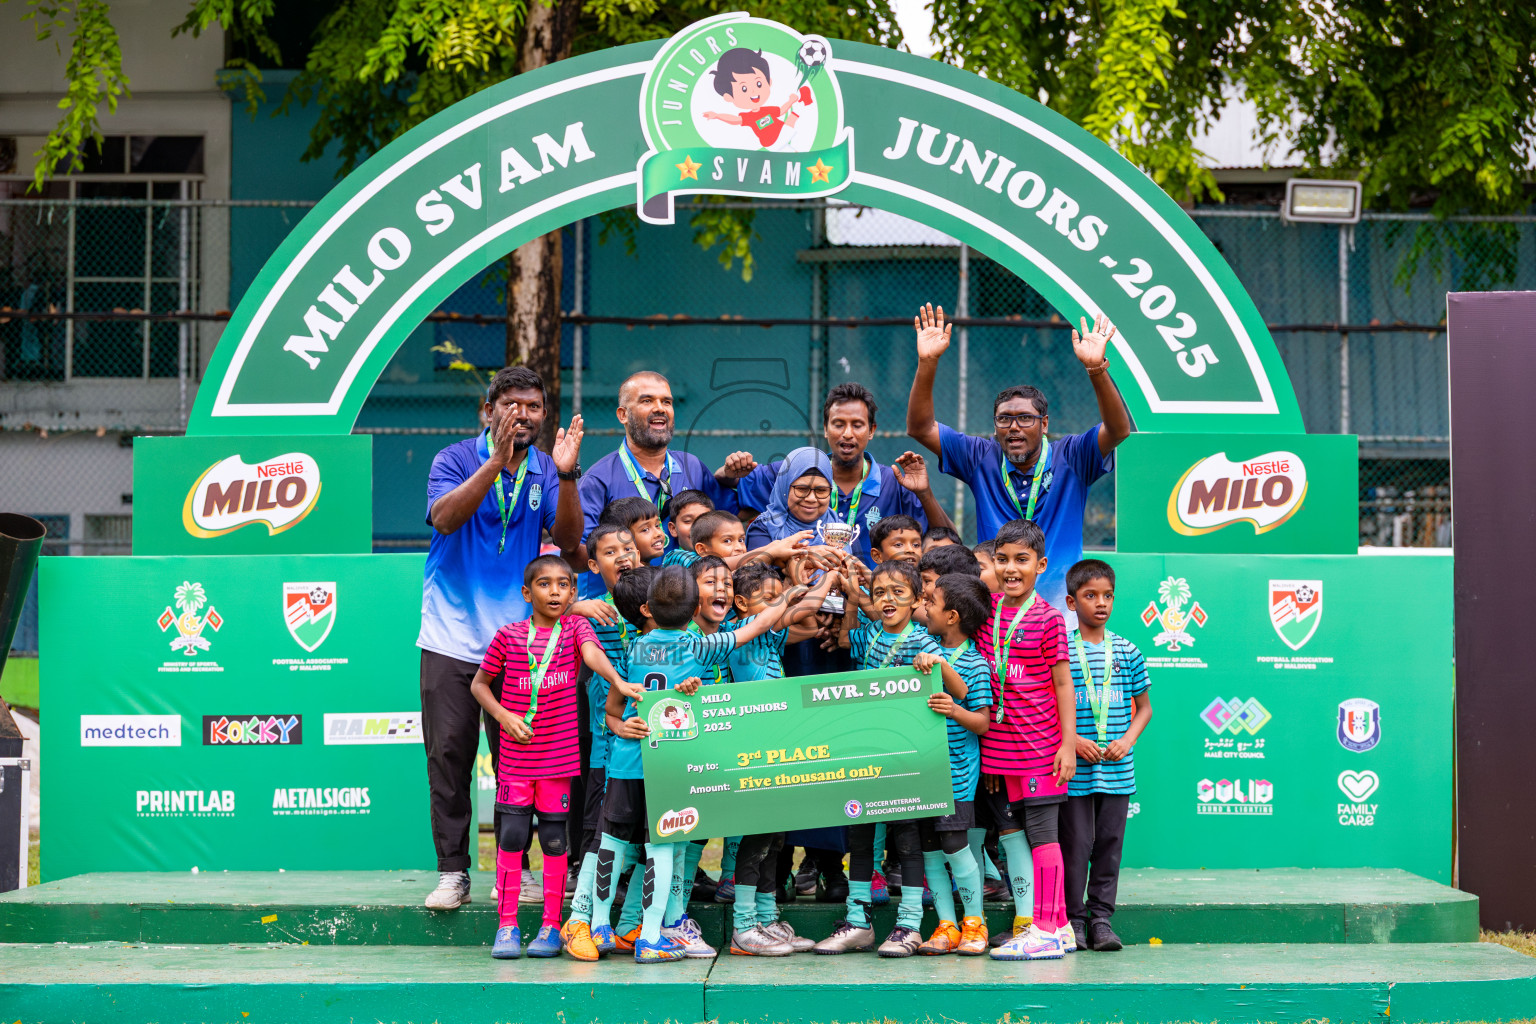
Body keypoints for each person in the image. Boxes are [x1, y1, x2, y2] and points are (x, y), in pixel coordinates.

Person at [417, 365, 585, 911]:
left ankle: (522, 868)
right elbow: (444, 519)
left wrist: (564, 477)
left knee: (524, 761)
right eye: (511, 405)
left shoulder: (545, 468)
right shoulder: (456, 458)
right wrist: (494, 462)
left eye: (534, 407)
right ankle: (453, 871)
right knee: (449, 756)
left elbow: (566, 539)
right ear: (488, 411)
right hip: (450, 636)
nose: (524, 415)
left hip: (520, 646)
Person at [600, 566, 805, 963]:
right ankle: (659, 931)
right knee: (665, 846)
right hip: (676, 763)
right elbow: (757, 626)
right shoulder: (698, 647)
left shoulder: (634, 648)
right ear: (694, 607)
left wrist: (620, 723)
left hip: (631, 759)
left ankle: (604, 926)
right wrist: (787, 596)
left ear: (648, 608)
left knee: (625, 846)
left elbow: (614, 704)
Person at [906, 305, 1132, 608]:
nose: (1013, 427)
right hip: (995, 611)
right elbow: (920, 428)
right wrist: (927, 361)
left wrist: (1096, 368)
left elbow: (1118, 430)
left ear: (1045, 423)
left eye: (1025, 418)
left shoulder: (1072, 456)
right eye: (1004, 419)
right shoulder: (981, 456)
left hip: (1060, 612)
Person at [468, 555, 636, 959]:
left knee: (557, 841)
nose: (555, 591)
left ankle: (549, 926)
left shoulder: (576, 627)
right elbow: (479, 685)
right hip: (514, 760)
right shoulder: (508, 635)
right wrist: (504, 716)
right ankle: (506, 926)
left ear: (574, 592)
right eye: (544, 584)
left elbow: (593, 654)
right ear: (527, 593)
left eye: (563, 584)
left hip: (558, 760)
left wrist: (615, 679)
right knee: (510, 837)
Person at [815, 560, 943, 957]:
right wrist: (852, 591)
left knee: (906, 835)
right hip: (865, 753)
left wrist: (931, 663)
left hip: (906, 756)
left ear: (918, 599)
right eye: (881, 592)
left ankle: (908, 924)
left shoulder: (925, 642)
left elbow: (943, 682)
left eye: (898, 593)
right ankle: (858, 921)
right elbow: (848, 636)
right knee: (859, 832)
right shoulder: (867, 633)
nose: (888, 600)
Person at [973, 519, 1077, 961]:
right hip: (1003, 752)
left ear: (1041, 565)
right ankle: (1062, 928)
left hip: (1041, 748)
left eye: (1021, 560)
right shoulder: (986, 613)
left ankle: (1049, 927)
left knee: (1042, 836)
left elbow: (1063, 685)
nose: (1011, 569)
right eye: (1003, 560)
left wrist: (1067, 744)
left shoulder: (1049, 619)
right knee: (1024, 836)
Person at [577, 371, 754, 593]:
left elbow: (735, 513)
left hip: (680, 608)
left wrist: (729, 477)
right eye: (647, 400)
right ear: (623, 415)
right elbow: (581, 553)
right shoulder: (598, 480)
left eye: (667, 402)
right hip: (616, 615)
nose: (660, 408)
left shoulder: (692, 466)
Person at [739, 383, 952, 567]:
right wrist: (727, 474)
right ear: (825, 428)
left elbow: (948, 543)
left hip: (877, 603)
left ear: (871, 430)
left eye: (857, 425)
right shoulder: (794, 472)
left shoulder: (894, 483)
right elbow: (726, 495)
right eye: (838, 424)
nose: (847, 433)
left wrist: (924, 493)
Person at [1060, 559, 1152, 953]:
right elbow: (1049, 707)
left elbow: (1145, 707)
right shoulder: (1060, 649)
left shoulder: (1127, 650)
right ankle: (1073, 921)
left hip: (1117, 773)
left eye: (1108, 596)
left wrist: (1128, 740)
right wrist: (1073, 740)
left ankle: (1101, 920)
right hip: (1075, 773)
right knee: (1075, 848)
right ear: (1070, 601)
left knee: (1109, 848)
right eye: (1090, 596)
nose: (1101, 603)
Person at [910, 573, 995, 955]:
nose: (924, 606)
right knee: (929, 848)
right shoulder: (923, 648)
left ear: (953, 616)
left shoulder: (976, 664)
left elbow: (983, 721)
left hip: (956, 776)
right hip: (921, 772)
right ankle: (946, 925)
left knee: (954, 846)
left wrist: (955, 710)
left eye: (931, 602)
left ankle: (975, 923)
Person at [661, 490, 715, 567]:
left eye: (704, 520)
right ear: (673, 529)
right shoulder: (675, 558)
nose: (697, 527)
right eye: (688, 521)